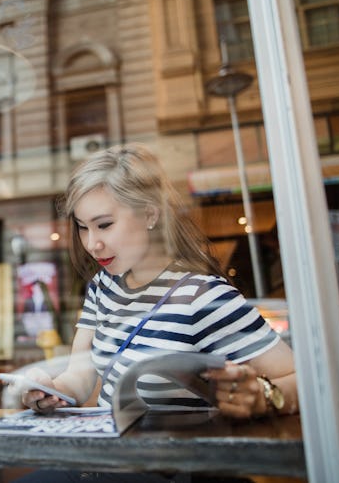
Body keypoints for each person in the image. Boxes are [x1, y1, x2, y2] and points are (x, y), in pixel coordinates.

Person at [15, 144, 297, 483]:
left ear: (150, 215)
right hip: (104, 463)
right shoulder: (103, 287)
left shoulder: (202, 296)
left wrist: (265, 398)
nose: (92, 244)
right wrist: (51, 391)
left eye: (104, 225)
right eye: (82, 227)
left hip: (168, 470)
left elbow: (304, 381)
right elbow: (81, 375)